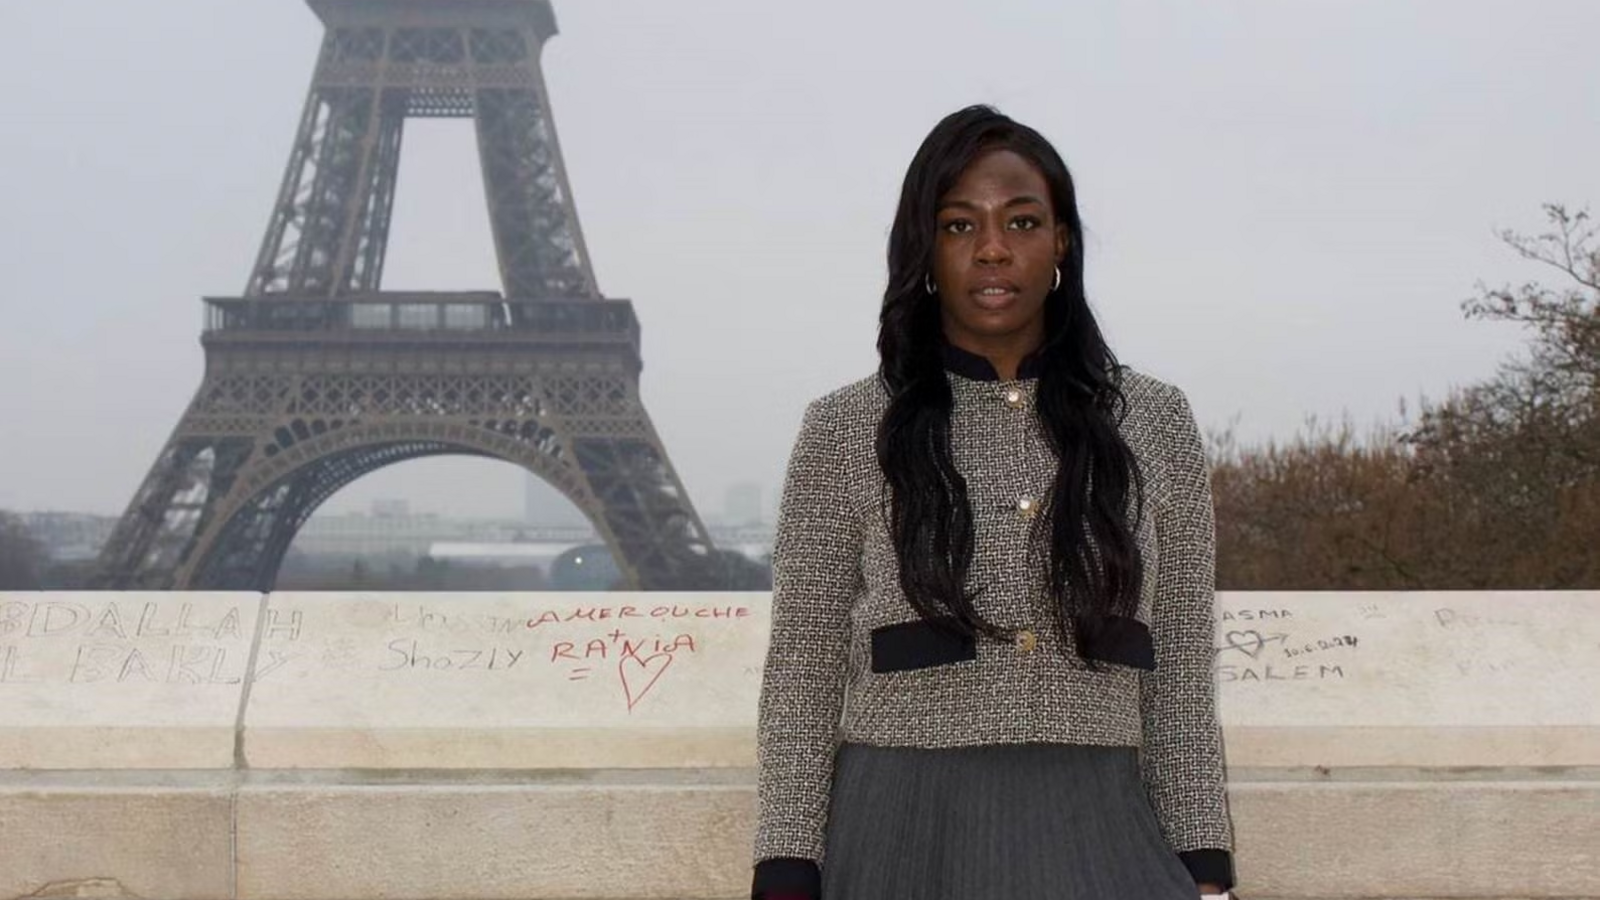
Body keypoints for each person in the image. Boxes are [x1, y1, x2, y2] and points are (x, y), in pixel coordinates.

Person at [750, 105, 1238, 900]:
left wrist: (1205, 864)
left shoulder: (1153, 421)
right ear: (925, 249)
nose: (992, 248)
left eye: (1021, 220)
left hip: (1101, 821)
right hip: (899, 825)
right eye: (957, 225)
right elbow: (804, 665)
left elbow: (1179, 663)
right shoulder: (844, 427)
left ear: (1061, 242)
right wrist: (785, 865)